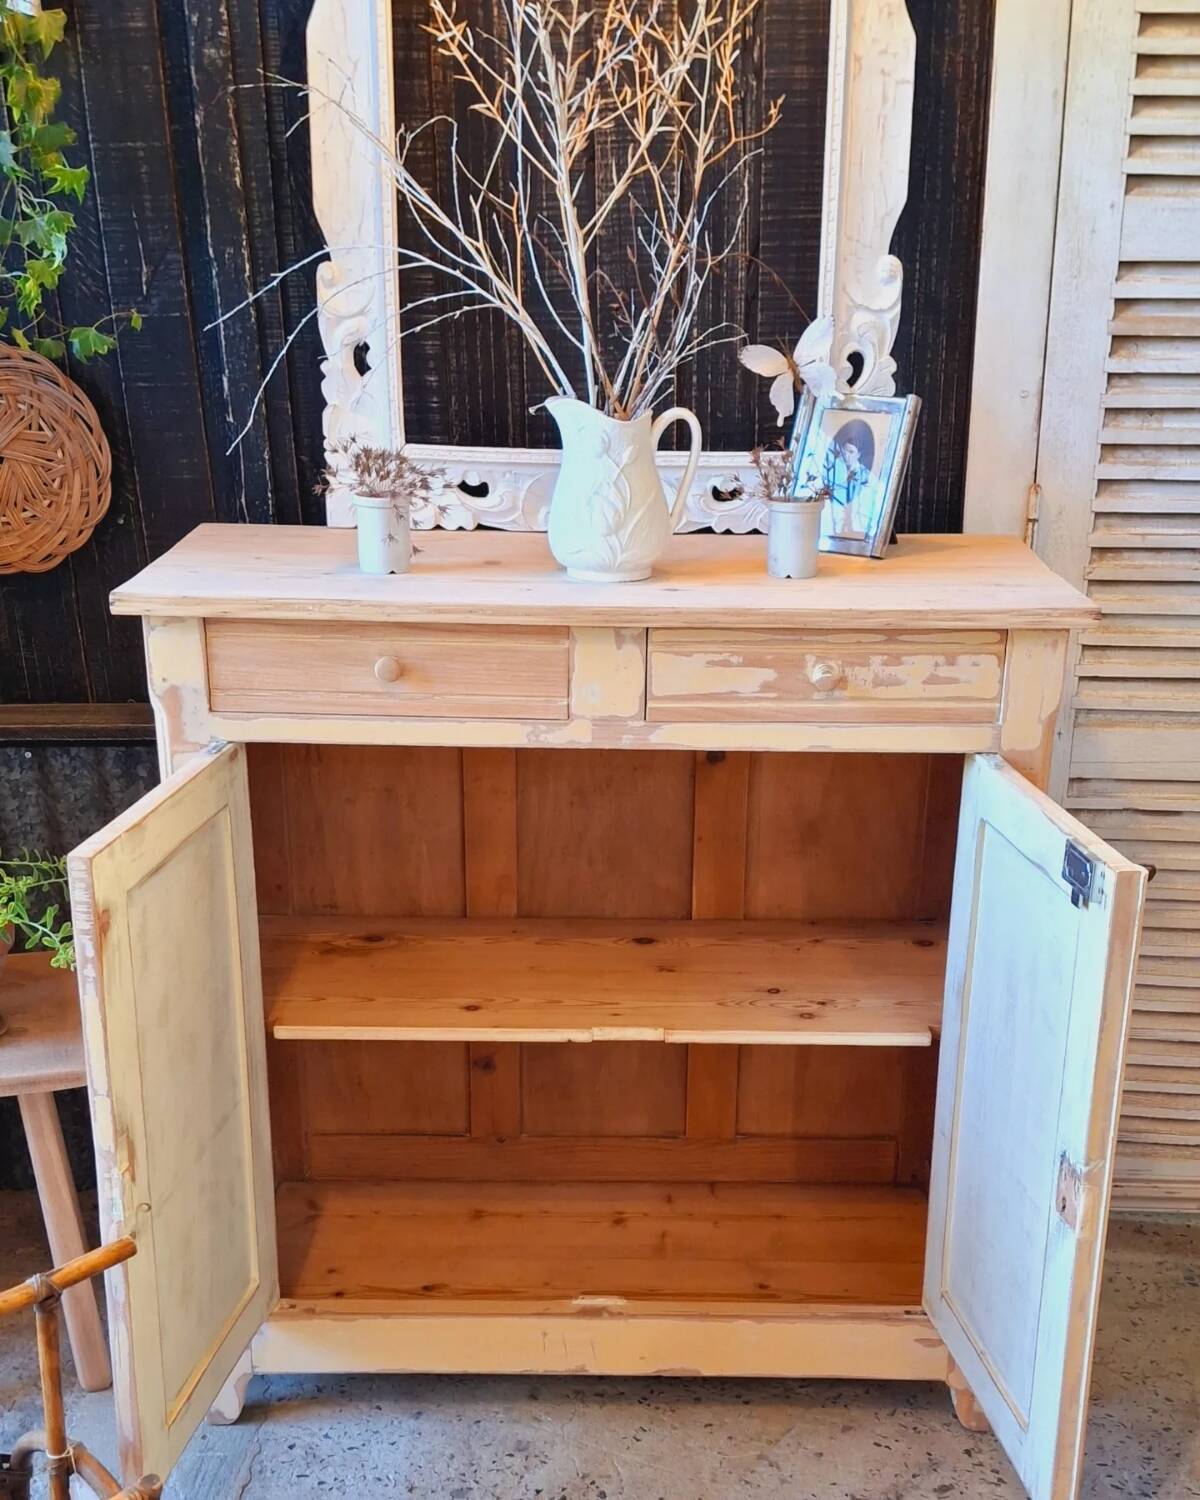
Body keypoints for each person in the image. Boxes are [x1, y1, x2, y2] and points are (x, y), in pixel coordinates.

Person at [821, 417, 877, 538]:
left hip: (858, 529)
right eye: (845, 451)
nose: (847, 455)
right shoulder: (834, 470)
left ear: (858, 455)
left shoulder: (866, 476)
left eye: (851, 452)